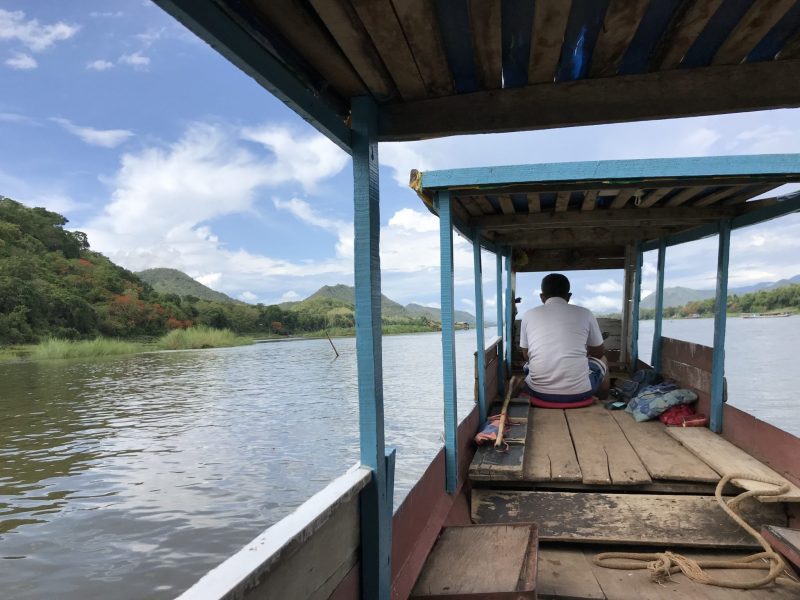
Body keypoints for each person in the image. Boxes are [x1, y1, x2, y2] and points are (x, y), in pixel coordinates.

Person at [519, 273, 609, 403]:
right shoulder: (585, 313)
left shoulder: (528, 315)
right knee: (603, 359)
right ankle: (602, 400)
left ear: (541, 297)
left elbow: (526, 355)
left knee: (529, 364)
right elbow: (599, 353)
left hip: (538, 392)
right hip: (580, 392)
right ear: (569, 296)